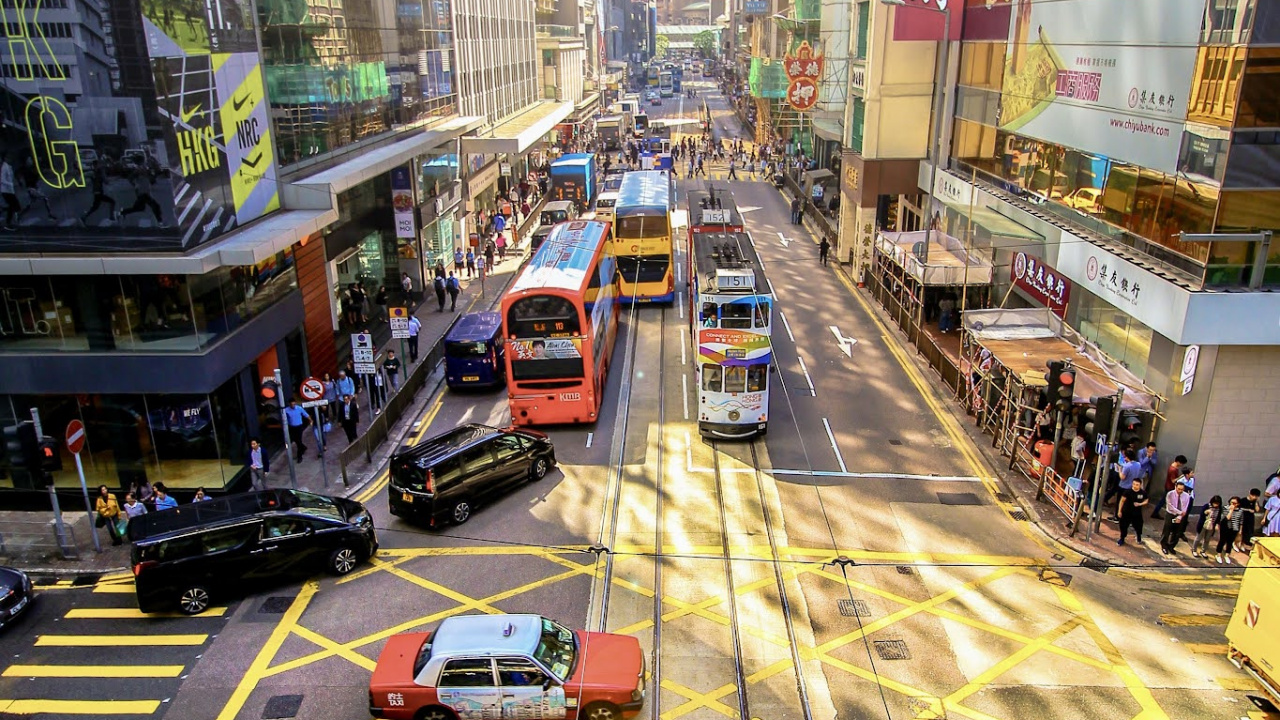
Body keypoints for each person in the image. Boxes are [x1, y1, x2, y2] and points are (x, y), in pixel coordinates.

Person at [1150, 454, 1187, 519]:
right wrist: (1180, 477)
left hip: (1168, 486)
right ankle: (1156, 513)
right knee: (1164, 501)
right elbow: (1173, 481)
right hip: (1170, 487)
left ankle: (1156, 513)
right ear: (1178, 462)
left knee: (1164, 500)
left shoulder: (1172, 467)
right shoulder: (1173, 469)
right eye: (1181, 463)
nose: (1181, 465)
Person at [1160, 480, 1191, 555]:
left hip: (1180, 515)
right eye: (1178, 489)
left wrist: (1180, 516)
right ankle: (1164, 545)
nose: (1180, 491)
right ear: (1175, 487)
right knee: (1167, 530)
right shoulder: (1170, 494)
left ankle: (1171, 546)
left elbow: (1185, 507)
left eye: (1182, 489)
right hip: (1171, 514)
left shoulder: (1186, 496)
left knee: (1177, 532)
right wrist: (1179, 512)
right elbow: (1170, 506)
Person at [1117, 480, 1148, 546]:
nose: (1135, 486)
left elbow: (1146, 500)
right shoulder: (1127, 492)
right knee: (1123, 526)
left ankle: (1139, 537)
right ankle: (1122, 538)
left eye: (1137, 485)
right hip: (1126, 512)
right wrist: (1119, 511)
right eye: (1134, 484)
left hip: (1137, 513)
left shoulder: (1143, 493)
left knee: (1139, 526)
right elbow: (1122, 501)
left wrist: (1140, 504)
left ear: (1140, 485)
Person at [1218, 497, 1245, 564]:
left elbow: (1241, 521)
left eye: (1235, 503)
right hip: (1225, 527)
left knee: (1230, 542)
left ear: (1238, 504)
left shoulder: (1240, 511)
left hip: (1234, 528)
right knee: (1222, 541)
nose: (1233, 504)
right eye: (1231, 502)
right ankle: (1218, 555)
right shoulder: (1225, 508)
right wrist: (1231, 511)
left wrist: (1240, 530)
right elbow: (1226, 519)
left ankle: (1227, 555)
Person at [1239, 487, 1263, 552]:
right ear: (1250, 494)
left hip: (1250, 518)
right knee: (1242, 531)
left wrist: (1256, 502)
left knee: (1249, 531)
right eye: (1253, 496)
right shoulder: (1243, 500)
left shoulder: (1255, 501)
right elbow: (1239, 508)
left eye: (1256, 496)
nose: (1254, 497)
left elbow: (1257, 510)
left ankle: (1246, 544)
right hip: (1243, 517)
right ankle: (1240, 544)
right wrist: (1248, 510)